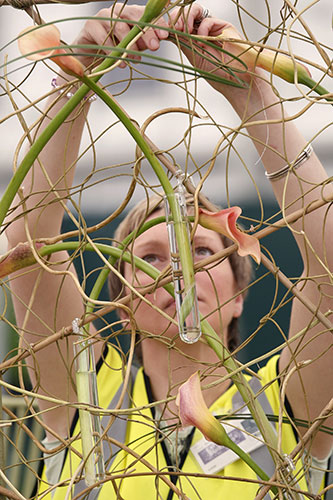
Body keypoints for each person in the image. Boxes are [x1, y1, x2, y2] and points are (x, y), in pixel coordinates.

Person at [5, 3, 332, 499]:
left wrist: (250, 93)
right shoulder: (88, 396)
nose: (176, 269)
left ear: (240, 292)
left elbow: (329, 264)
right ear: (120, 302)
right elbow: (28, 245)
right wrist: (76, 76)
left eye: (201, 251)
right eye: (151, 257)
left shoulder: (285, 403)